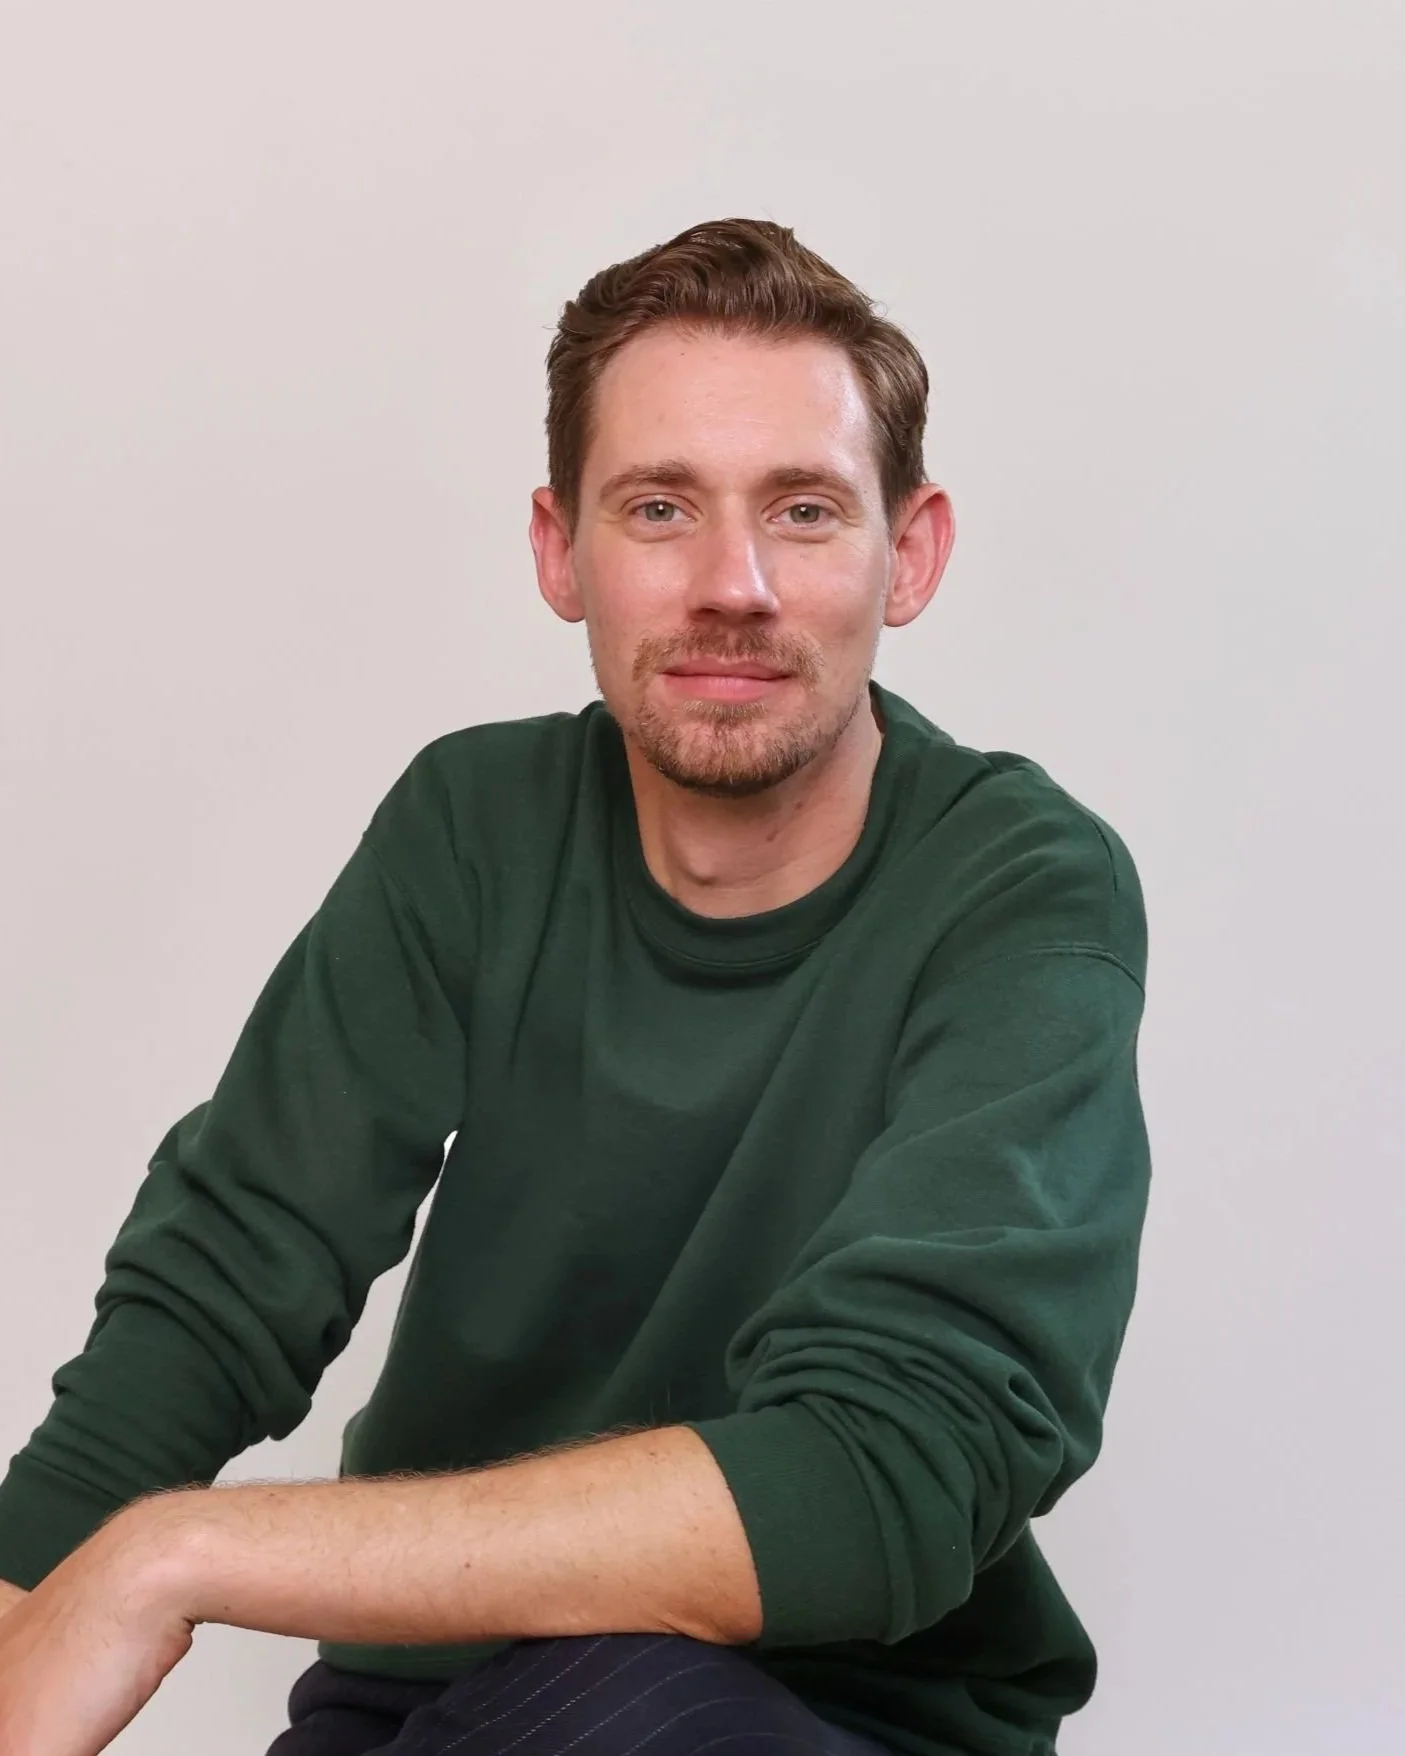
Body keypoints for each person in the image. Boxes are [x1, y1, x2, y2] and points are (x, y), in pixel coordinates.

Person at [0, 218, 1151, 1756]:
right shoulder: (473, 830)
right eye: (661, 505)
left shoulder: (1019, 891)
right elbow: (230, 1275)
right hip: (441, 1700)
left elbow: (886, 1470)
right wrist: (33, 1587)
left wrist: (172, 1556)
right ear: (561, 549)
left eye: (804, 511)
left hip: (838, 1715)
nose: (732, 584)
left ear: (912, 551)